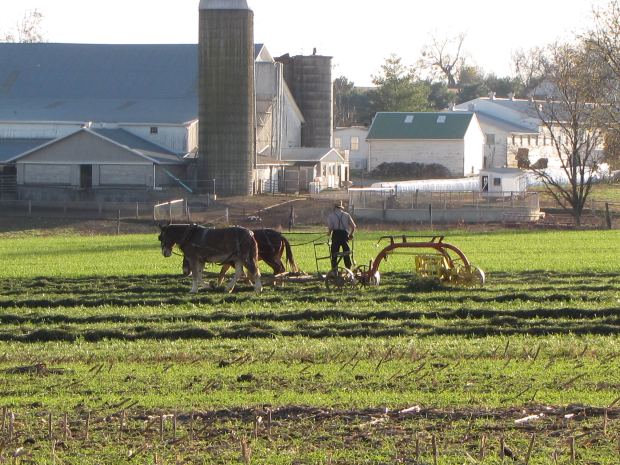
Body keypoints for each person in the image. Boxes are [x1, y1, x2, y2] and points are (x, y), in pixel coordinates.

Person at [326, 202, 356, 271]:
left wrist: (329, 233)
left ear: (334, 208)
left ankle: (334, 270)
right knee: (346, 253)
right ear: (341, 207)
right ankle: (348, 269)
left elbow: (331, 228)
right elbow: (354, 226)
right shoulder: (346, 215)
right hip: (345, 235)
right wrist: (351, 234)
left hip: (336, 235)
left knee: (334, 253)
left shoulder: (331, 216)